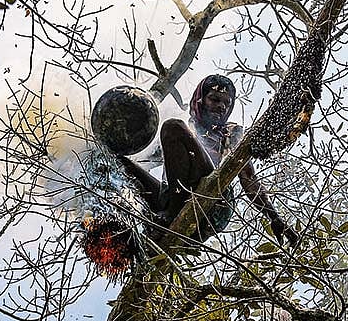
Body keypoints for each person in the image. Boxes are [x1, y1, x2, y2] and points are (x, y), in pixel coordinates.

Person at [118, 74, 297, 244]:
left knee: (172, 126)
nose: (222, 106)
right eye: (215, 99)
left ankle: (170, 217)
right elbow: (143, 160)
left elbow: (249, 179)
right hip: (173, 202)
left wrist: (274, 217)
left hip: (211, 204)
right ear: (200, 100)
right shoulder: (186, 132)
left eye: (227, 103)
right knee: (122, 162)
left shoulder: (231, 133)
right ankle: (143, 231)